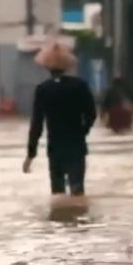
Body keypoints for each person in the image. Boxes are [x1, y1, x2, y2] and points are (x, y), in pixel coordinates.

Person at [23, 42, 98, 196]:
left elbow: (37, 124)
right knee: (77, 190)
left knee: (58, 193)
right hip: (76, 147)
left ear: (47, 67)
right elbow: (92, 114)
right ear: (67, 65)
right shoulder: (80, 86)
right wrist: (83, 131)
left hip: (55, 149)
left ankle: (60, 218)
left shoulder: (43, 89)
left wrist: (31, 154)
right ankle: (77, 218)